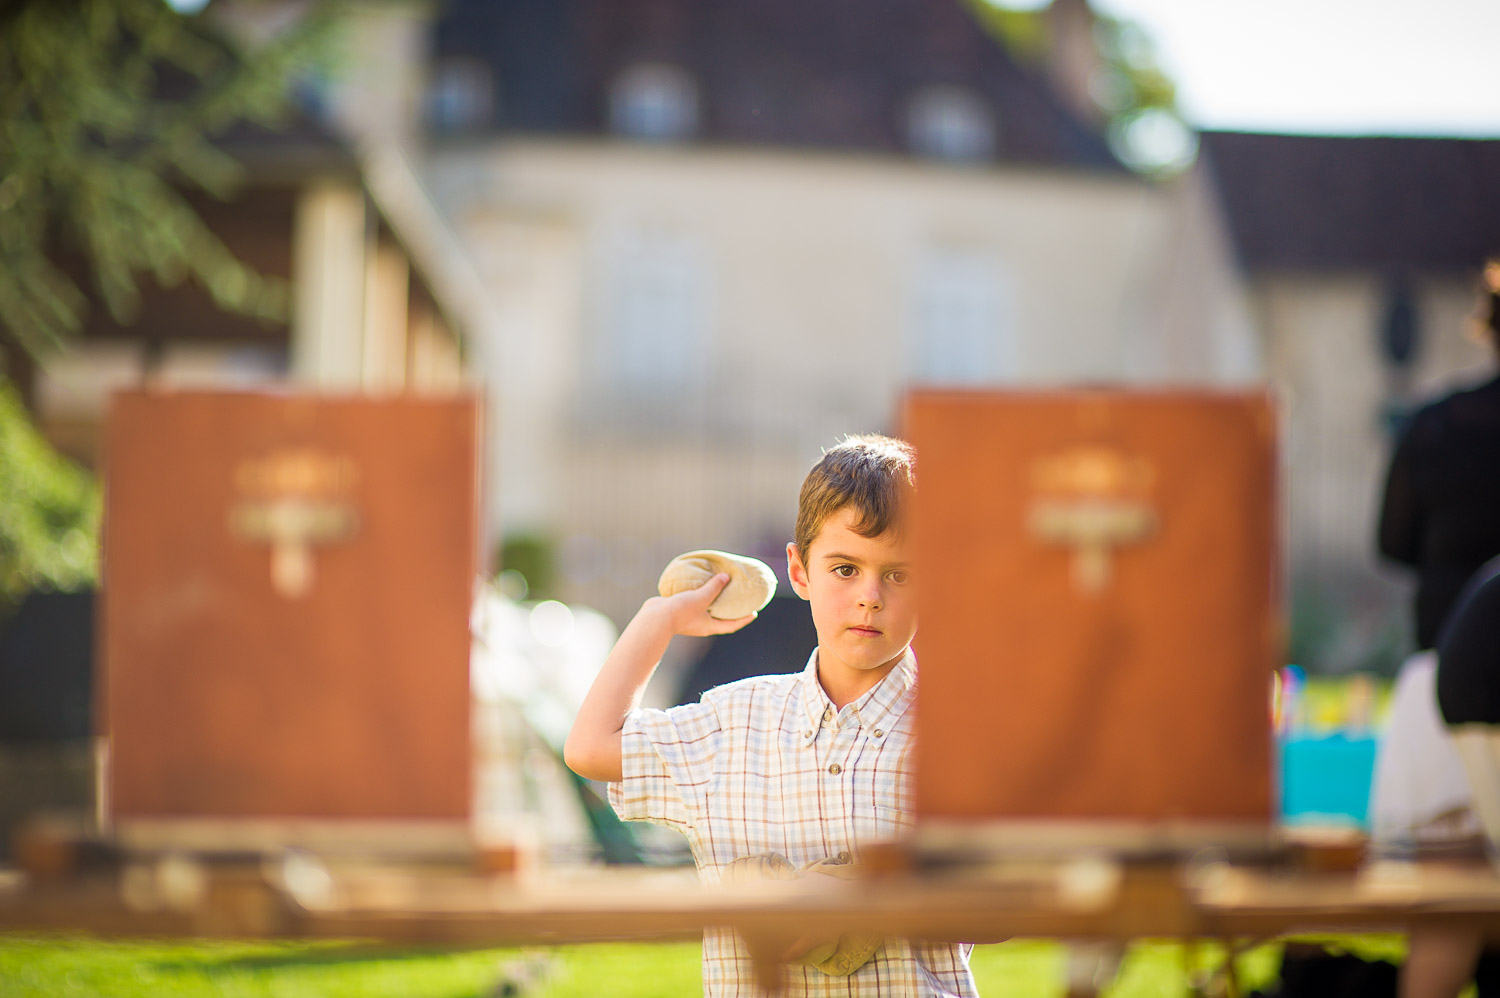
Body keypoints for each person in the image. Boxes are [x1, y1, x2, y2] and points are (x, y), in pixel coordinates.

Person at [564, 434, 977, 997]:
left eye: (900, 575)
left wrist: (871, 892)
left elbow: (1000, 911)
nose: (870, 597)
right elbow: (589, 747)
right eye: (845, 569)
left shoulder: (960, 734)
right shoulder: (732, 721)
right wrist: (657, 621)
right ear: (800, 571)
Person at [1374, 260, 1500, 998]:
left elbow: (1391, 543)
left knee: (1445, 914)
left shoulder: (1434, 427)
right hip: (1474, 678)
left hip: (1442, 685)